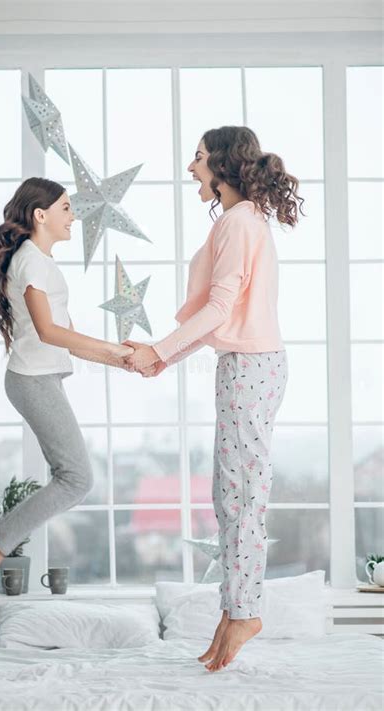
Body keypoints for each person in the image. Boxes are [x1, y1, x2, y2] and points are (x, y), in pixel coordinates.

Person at [124, 126, 304, 672]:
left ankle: (246, 612)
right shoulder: (239, 221)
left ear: (222, 164)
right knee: (229, 499)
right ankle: (232, 613)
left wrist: (158, 349)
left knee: (242, 499)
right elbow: (217, 314)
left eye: (198, 158)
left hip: (250, 366)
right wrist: (164, 358)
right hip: (245, 365)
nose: (189, 168)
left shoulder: (238, 222)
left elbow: (220, 309)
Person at [0, 177, 134, 610]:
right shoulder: (32, 262)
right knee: (77, 478)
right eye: (65, 207)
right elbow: (48, 331)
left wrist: (123, 359)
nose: (72, 216)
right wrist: (117, 352)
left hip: (39, 378)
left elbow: (67, 335)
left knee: (75, 477)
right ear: (40, 215)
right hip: (31, 380)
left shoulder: (37, 260)